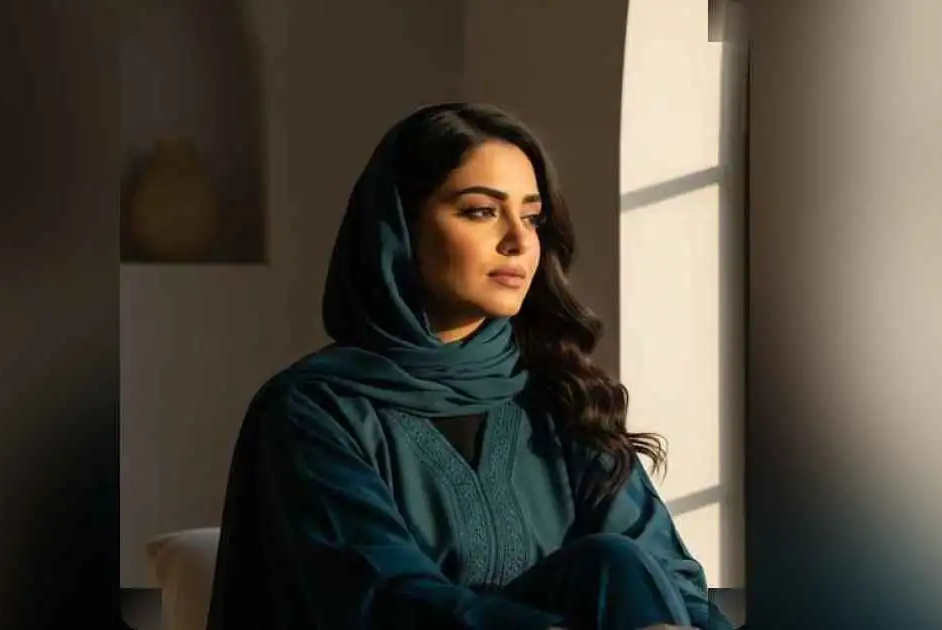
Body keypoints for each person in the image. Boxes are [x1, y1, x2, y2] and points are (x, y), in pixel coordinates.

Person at [206, 102, 736, 630]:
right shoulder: (315, 408)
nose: (519, 240)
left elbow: (667, 576)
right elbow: (379, 596)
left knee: (615, 562)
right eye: (481, 211)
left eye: (531, 216)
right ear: (400, 226)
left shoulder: (556, 393)